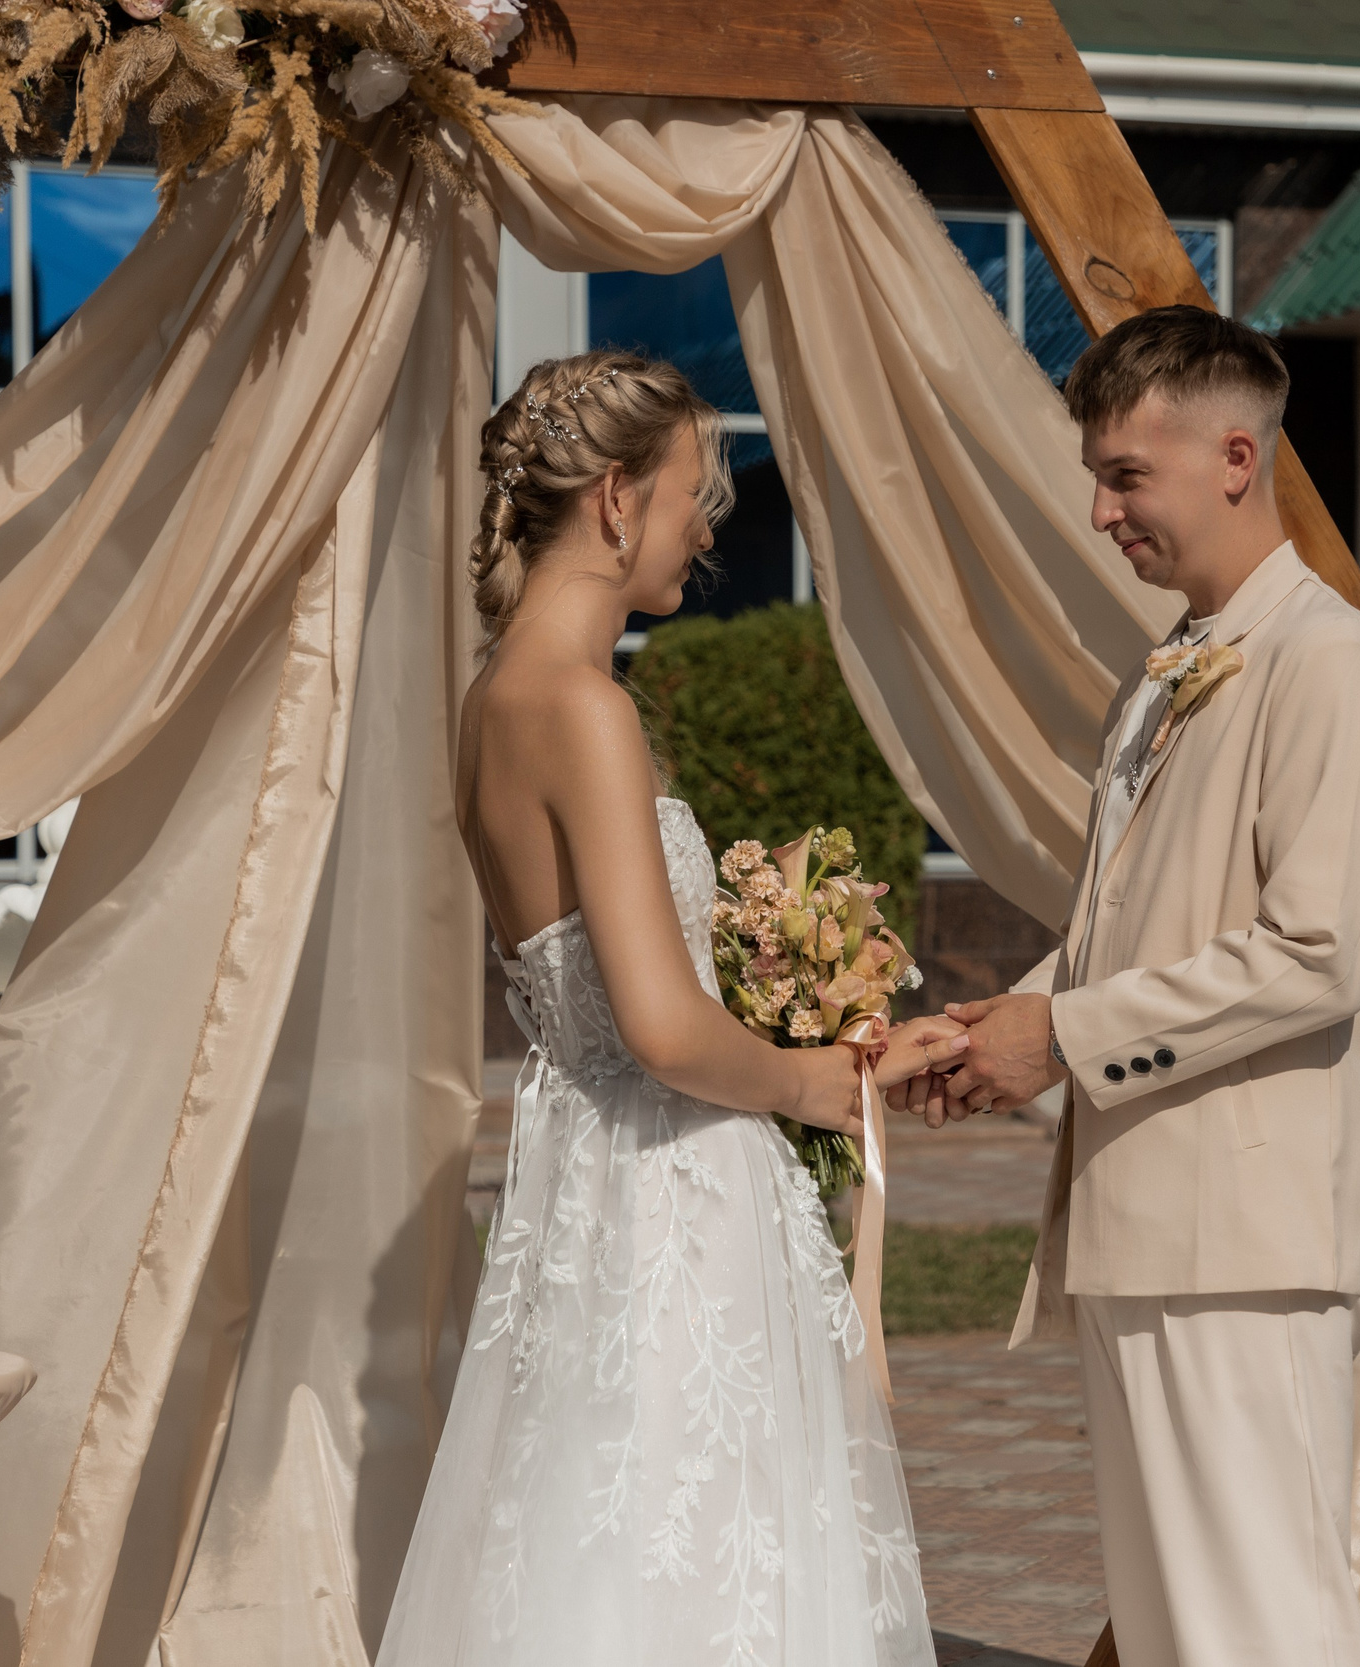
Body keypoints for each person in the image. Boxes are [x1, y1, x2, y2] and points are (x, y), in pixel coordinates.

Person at [378, 351, 961, 1667]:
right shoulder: (584, 708)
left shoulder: (494, 701)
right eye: (699, 492)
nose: (710, 527)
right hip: (673, 1196)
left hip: (586, 1180)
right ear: (618, 498)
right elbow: (659, 1023)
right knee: (699, 1550)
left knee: (603, 1530)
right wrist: (818, 1084)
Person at [900, 307, 1360, 1666]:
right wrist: (980, 1035)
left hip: (1247, 1242)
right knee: (1171, 1632)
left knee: (1260, 1629)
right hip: (1141, 1218)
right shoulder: (1162, 677)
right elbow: (1124, 937)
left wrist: (1063, 1037)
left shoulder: (1333, 662)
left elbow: (1317, 955)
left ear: (1237, 457)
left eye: (1126, 474)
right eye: (1098, 475)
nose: (1100, 511)